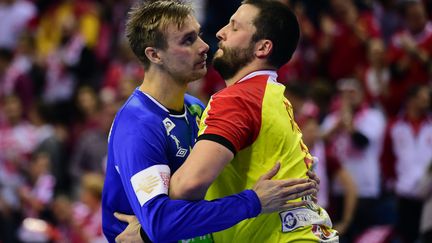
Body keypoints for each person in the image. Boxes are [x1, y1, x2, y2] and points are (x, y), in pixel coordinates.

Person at [101, 1, 319, 243]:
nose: (205, 46)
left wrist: (293, 175)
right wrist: (252, 202)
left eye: (199, 35)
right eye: (188, 40)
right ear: (154, 55)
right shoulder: (137, 125)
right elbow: (160, 223)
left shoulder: (197, 108)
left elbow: (230, 178)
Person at [168, 0, 338, 241]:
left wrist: (146, 206)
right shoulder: (274, 97)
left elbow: (186, 186)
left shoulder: (238, 98)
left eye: (235, 27)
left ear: (262, 48)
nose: (220, 32)